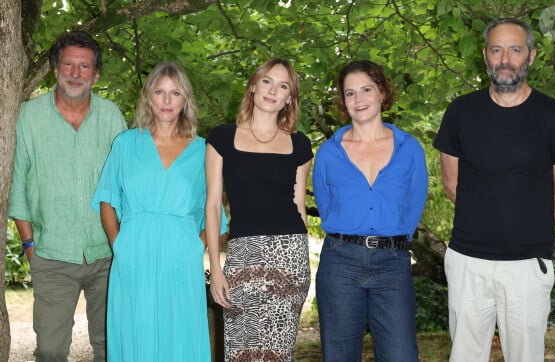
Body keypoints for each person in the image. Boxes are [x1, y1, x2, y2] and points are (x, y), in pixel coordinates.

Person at [434, 18, 555, 362]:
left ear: (530, 56)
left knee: (526, 357)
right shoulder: (460, 112)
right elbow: (452, 184)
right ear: (485, 55)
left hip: (528, 265)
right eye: (497, 50)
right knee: (465, 355)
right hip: (468, 261)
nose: (505, 59)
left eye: (514, 50)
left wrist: (524, 230)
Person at [91, 61, 225, 361]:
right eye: (160, 92)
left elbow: (214, 211)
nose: (167, 101)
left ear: (185, 100)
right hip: (133, 255)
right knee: (135, 333)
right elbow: (106, 200)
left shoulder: (204, 150)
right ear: (148, 96)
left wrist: (195, 246)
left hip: (181, 258)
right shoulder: (125, 144)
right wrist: (119, 244)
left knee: (180, 334)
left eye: (175, 93)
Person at [8, 30, 126, 361]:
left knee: (110, 345)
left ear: (96, 74)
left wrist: (123, 243)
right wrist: (29, 245)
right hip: (51, 252)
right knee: (49, 350)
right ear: (56, 68)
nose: (75, 74)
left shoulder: (112, 116)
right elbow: (18, 183)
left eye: (84, 66)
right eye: (68, 65)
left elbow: (126, 183)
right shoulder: (29, 116)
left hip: (106, 253)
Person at [312, 60, 428, 362]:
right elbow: (327, 206)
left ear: (381, 93)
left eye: (366, 89)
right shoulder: (328, 152)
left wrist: (393, 242)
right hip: (340, 263)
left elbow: (414, 205)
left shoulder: (409, 148)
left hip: (393, 263)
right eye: (350, 94)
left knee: (401, 356)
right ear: (343, 101)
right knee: (339, 356)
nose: (358, 99)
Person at [205, 58, 313, 361]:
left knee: (278, 354)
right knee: (241, 351)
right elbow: (213, 206)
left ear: (289, 98)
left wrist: (302, 263)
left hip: (290, 255)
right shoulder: (222, 138)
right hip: (243, 255)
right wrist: (216, 269)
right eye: (266, 81)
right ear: (253, 86)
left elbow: (299, 206)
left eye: (283, 86)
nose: (272, 90)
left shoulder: (299, 145)